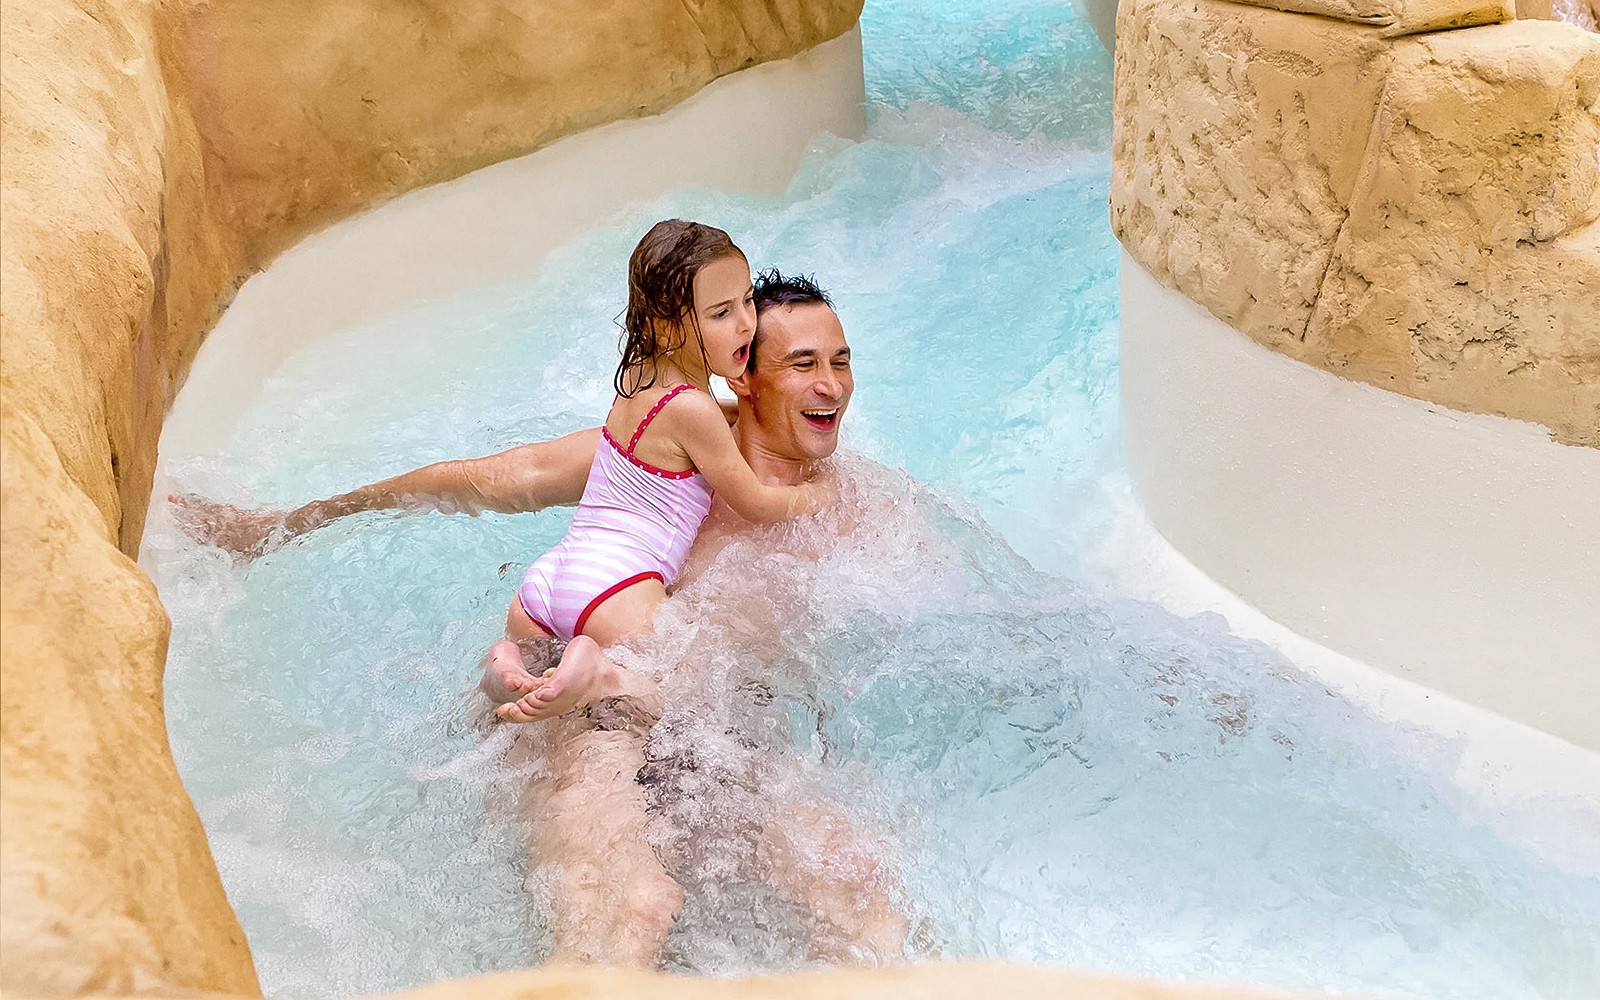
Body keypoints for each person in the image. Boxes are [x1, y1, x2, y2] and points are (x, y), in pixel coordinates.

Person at [171, 268, 904, 968]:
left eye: (841, 362)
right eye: (804, 363)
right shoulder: (665, 456)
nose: (831, 385)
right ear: (744, 375)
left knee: (859, 888)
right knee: (628, 905)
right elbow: (482, 480)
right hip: (588, 718)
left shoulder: (854, 510)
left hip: (727, 737)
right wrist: (283, 525)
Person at [482, 219, 830, 726]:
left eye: (746, 302)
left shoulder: (639, 381)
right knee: (691, 699)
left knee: (539, 673)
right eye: (720, 312)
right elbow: (755, 502)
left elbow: (693, 429)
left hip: (549, 581)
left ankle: (505, 664)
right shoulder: (695, 411)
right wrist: (818, 495)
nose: (745, 324)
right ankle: (603, 676)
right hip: (618, 587)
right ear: (665, 327)